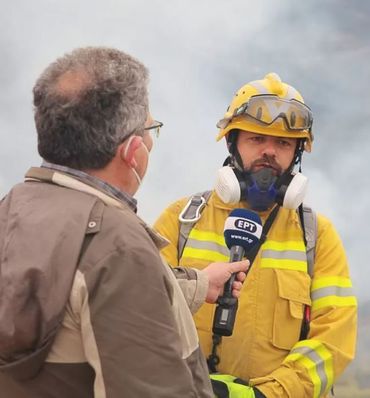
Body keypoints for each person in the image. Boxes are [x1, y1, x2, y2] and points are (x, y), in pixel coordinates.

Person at [0, 46, 249, 398]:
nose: (151, 140)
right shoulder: (117, 247)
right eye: (151, 129)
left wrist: (196, 285)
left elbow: (74, 297)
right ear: (133, 152)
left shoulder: (13, 208)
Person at [154, 73, 358, 398]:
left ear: (297, 155)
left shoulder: (317, 236)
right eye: (256, 139)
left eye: (283, 143)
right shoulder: (181, 221)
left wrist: (266, 395)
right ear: (231, 143)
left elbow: (334, 340)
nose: (270, 152)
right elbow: (141, 313)